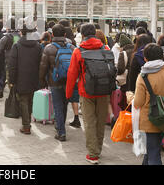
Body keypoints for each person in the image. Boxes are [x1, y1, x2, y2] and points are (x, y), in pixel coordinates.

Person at [66, 23, 112, 164]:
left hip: (86, 92)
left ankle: (93, 154)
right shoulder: (105, 48)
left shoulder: (78, 51)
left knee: (89, 122)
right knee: (100, 121)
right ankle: (97, 148)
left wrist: (68, 94)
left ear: (83, 35)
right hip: (104, 90)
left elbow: (72, 74)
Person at [126, 44, 164, 165]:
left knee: (153, 153)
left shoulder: (144, 75)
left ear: (145, 58)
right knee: (151, 150)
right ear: (162, 56)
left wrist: (130, 97)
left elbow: (138, 102)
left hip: (150, 120)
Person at [39, 24, 75, 141]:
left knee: (58, 106)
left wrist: (42, 80)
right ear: (65, 34)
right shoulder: (72, 48)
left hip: (54, 81)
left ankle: (61, 131)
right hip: (69, 81)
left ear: (52, 34)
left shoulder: (49, 48)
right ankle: (60, 125)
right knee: (64, 105)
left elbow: (43, 66)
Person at [8, 25, 42, 135]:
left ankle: (26, 126)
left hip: (20, 77)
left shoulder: (17, 45)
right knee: (30, 99)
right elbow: (41, 63)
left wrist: (11, 80)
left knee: (23, 100)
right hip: (33, 77)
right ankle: (27, 123)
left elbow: (12, 65)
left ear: (21, 32)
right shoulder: (37, 46)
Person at [0, 17, 21, 94]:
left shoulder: (5, 38)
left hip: (9, 63)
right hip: (21, 63)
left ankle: (13, 99)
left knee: (10, 83)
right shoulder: (21, 37)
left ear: (7, 26)